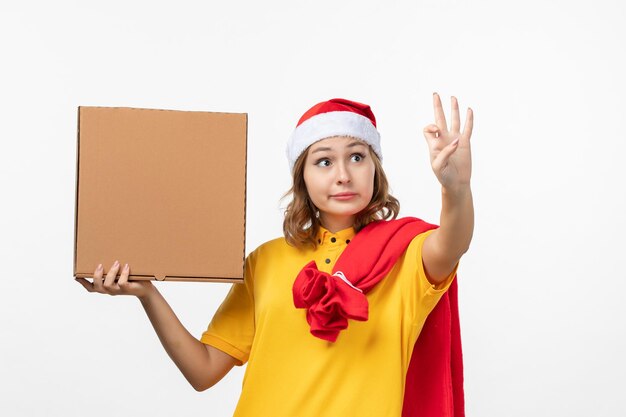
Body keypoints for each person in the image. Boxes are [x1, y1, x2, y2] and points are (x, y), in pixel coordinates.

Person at [76, 94, 474, 417]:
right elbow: (202, 371)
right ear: (302, 176)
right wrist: (147, 293)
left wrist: (455, 188)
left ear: (375, 168)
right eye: (324, 161)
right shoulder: (265, 262)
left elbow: (452, 243)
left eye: (357, 156)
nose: (343, 174)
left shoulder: (406, 255)